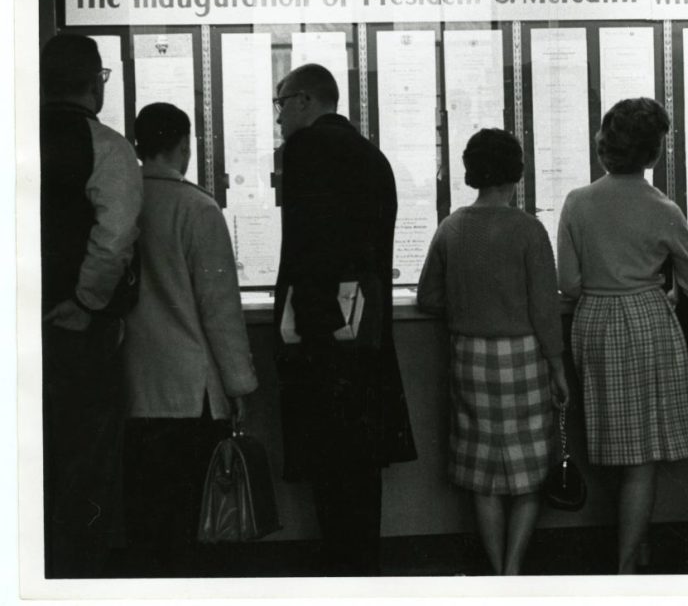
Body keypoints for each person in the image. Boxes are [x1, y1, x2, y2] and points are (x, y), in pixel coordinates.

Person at [273, 63, 415, 576]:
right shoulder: (372, 155)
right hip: (366, 336)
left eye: (282, 103)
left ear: (307, 101)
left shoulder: (308, 149)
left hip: (324, 339)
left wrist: (305, 329)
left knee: (330, 481)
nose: (279, 117)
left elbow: (307, 249)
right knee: (360, 481)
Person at [557, 97, 688, 574]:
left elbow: (570, 282)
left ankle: (635, 560)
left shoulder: (578, 202)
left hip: (593, 322)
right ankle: (626, 574)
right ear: (652, 151)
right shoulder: (662, 208)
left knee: (617, 451)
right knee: (643, 460)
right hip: (646, 323)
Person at [417, 129, 570, 575]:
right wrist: (557, 368)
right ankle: (513, 569)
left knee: (482, 472)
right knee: (526, 470)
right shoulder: (528, 229)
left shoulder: (451, 226)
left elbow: (428, 297)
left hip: (469, 359)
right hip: (522, 357)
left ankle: (494, 567)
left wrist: (469, 302)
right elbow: (545, 310)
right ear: (516, 173)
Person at [121, 103, 258, 573]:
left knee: (146, 521)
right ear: (185, 145)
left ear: (138, 145)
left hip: (132, 386)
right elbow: (219, 308)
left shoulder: (122, 200)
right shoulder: (198, 208)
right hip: (189, 393)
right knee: (192, 522)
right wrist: (239, 384)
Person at [39, 33, 143, 577]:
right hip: (79, 337)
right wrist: (86, 301)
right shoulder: (105, 146)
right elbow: (116, 234)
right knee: (85, 470)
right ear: (96, 82)